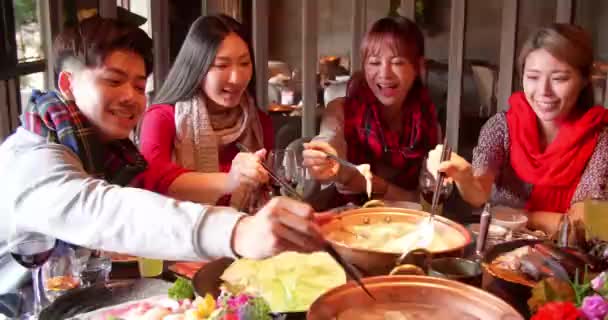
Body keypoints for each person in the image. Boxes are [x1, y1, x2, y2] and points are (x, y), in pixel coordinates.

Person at [0, 16, 322, 276]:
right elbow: (106, 210)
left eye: (140, 86)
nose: (130, 96)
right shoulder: (31, 157)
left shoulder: (108, 151)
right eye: (113, 81)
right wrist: (238, 231)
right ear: (68, 84)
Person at [427, 24, 608, 236]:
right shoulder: (502, 127)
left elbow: (589, 226)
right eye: (533, 77)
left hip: (567, 260)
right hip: (499, 255)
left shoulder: (600, 139)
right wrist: (464, 176)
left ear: (584, 80)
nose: (544, 91)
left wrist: (520, 216)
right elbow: (478, 194)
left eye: (559, 78)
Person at [139, 14, 273, 210]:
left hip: (245, 235)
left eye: (244, 63)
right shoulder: (162, 118)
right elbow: (153, 181)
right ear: (196, 67)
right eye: (221, 65)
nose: (236, 78)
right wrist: (229, 180)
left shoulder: (258, 123)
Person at [302, 16, 440, 204]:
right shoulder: (341, 110)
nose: (385, 74)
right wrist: (323, 159)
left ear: (418, 67)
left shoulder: (428, 125)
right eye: (375, 63)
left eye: (398, 62)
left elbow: (427, 203)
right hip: (347, 222)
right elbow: (330, 141)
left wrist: (374, 185)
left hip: (407, 226)